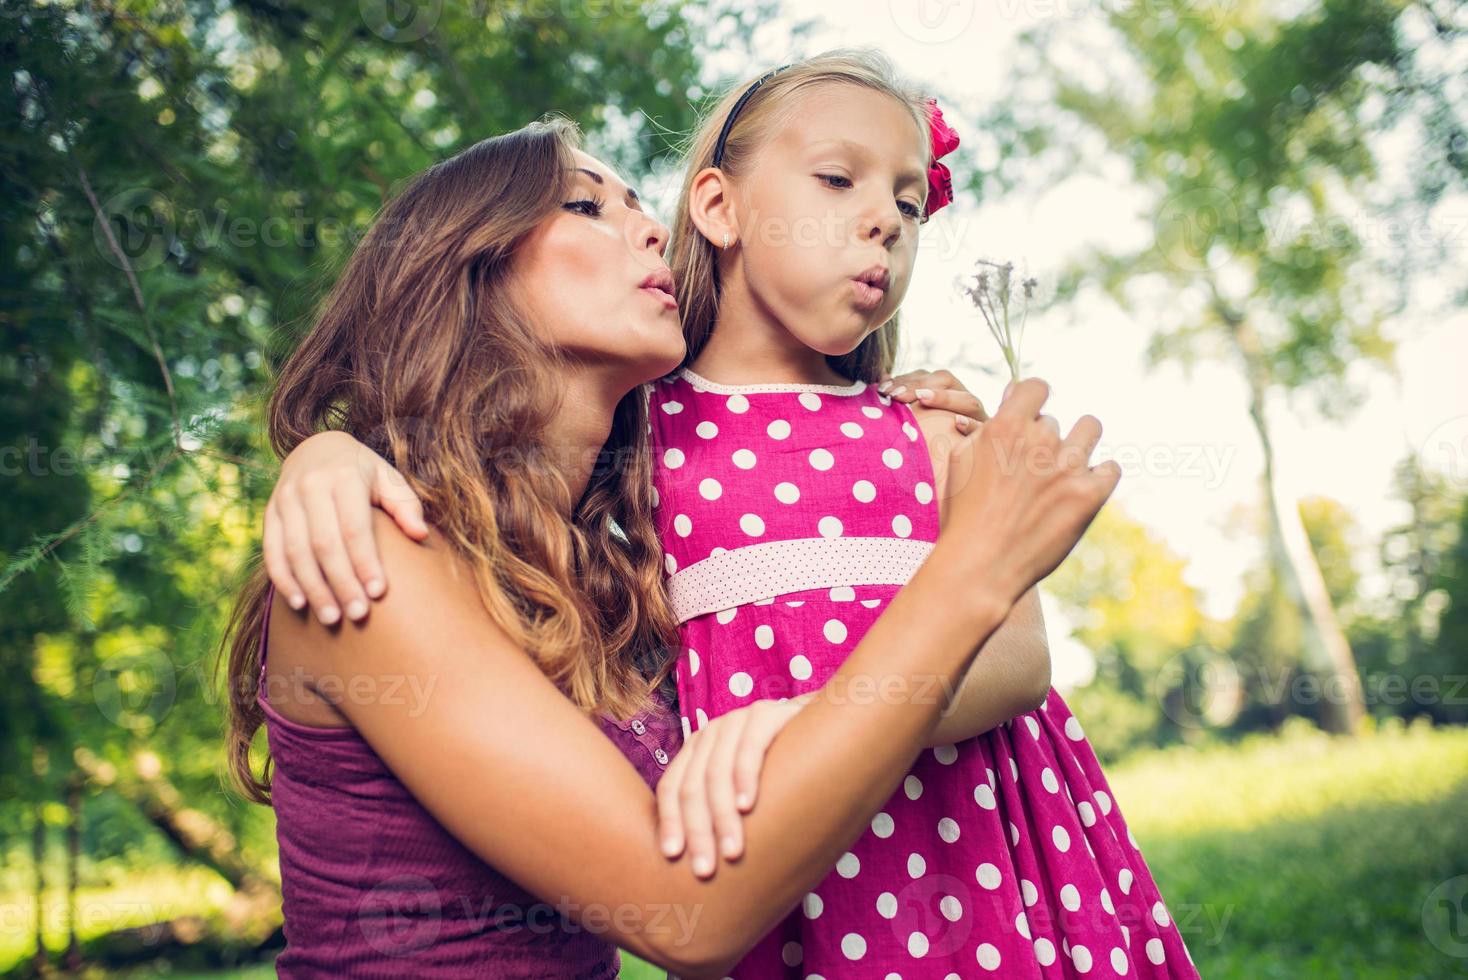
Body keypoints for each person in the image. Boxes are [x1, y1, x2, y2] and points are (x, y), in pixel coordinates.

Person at [227, 107, 1120, 977]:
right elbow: (689, 919)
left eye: (636, 203)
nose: (648, 229)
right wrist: (978, 562)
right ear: (463, 267)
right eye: (587, 205)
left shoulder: (601, 571)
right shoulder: (370, 554)